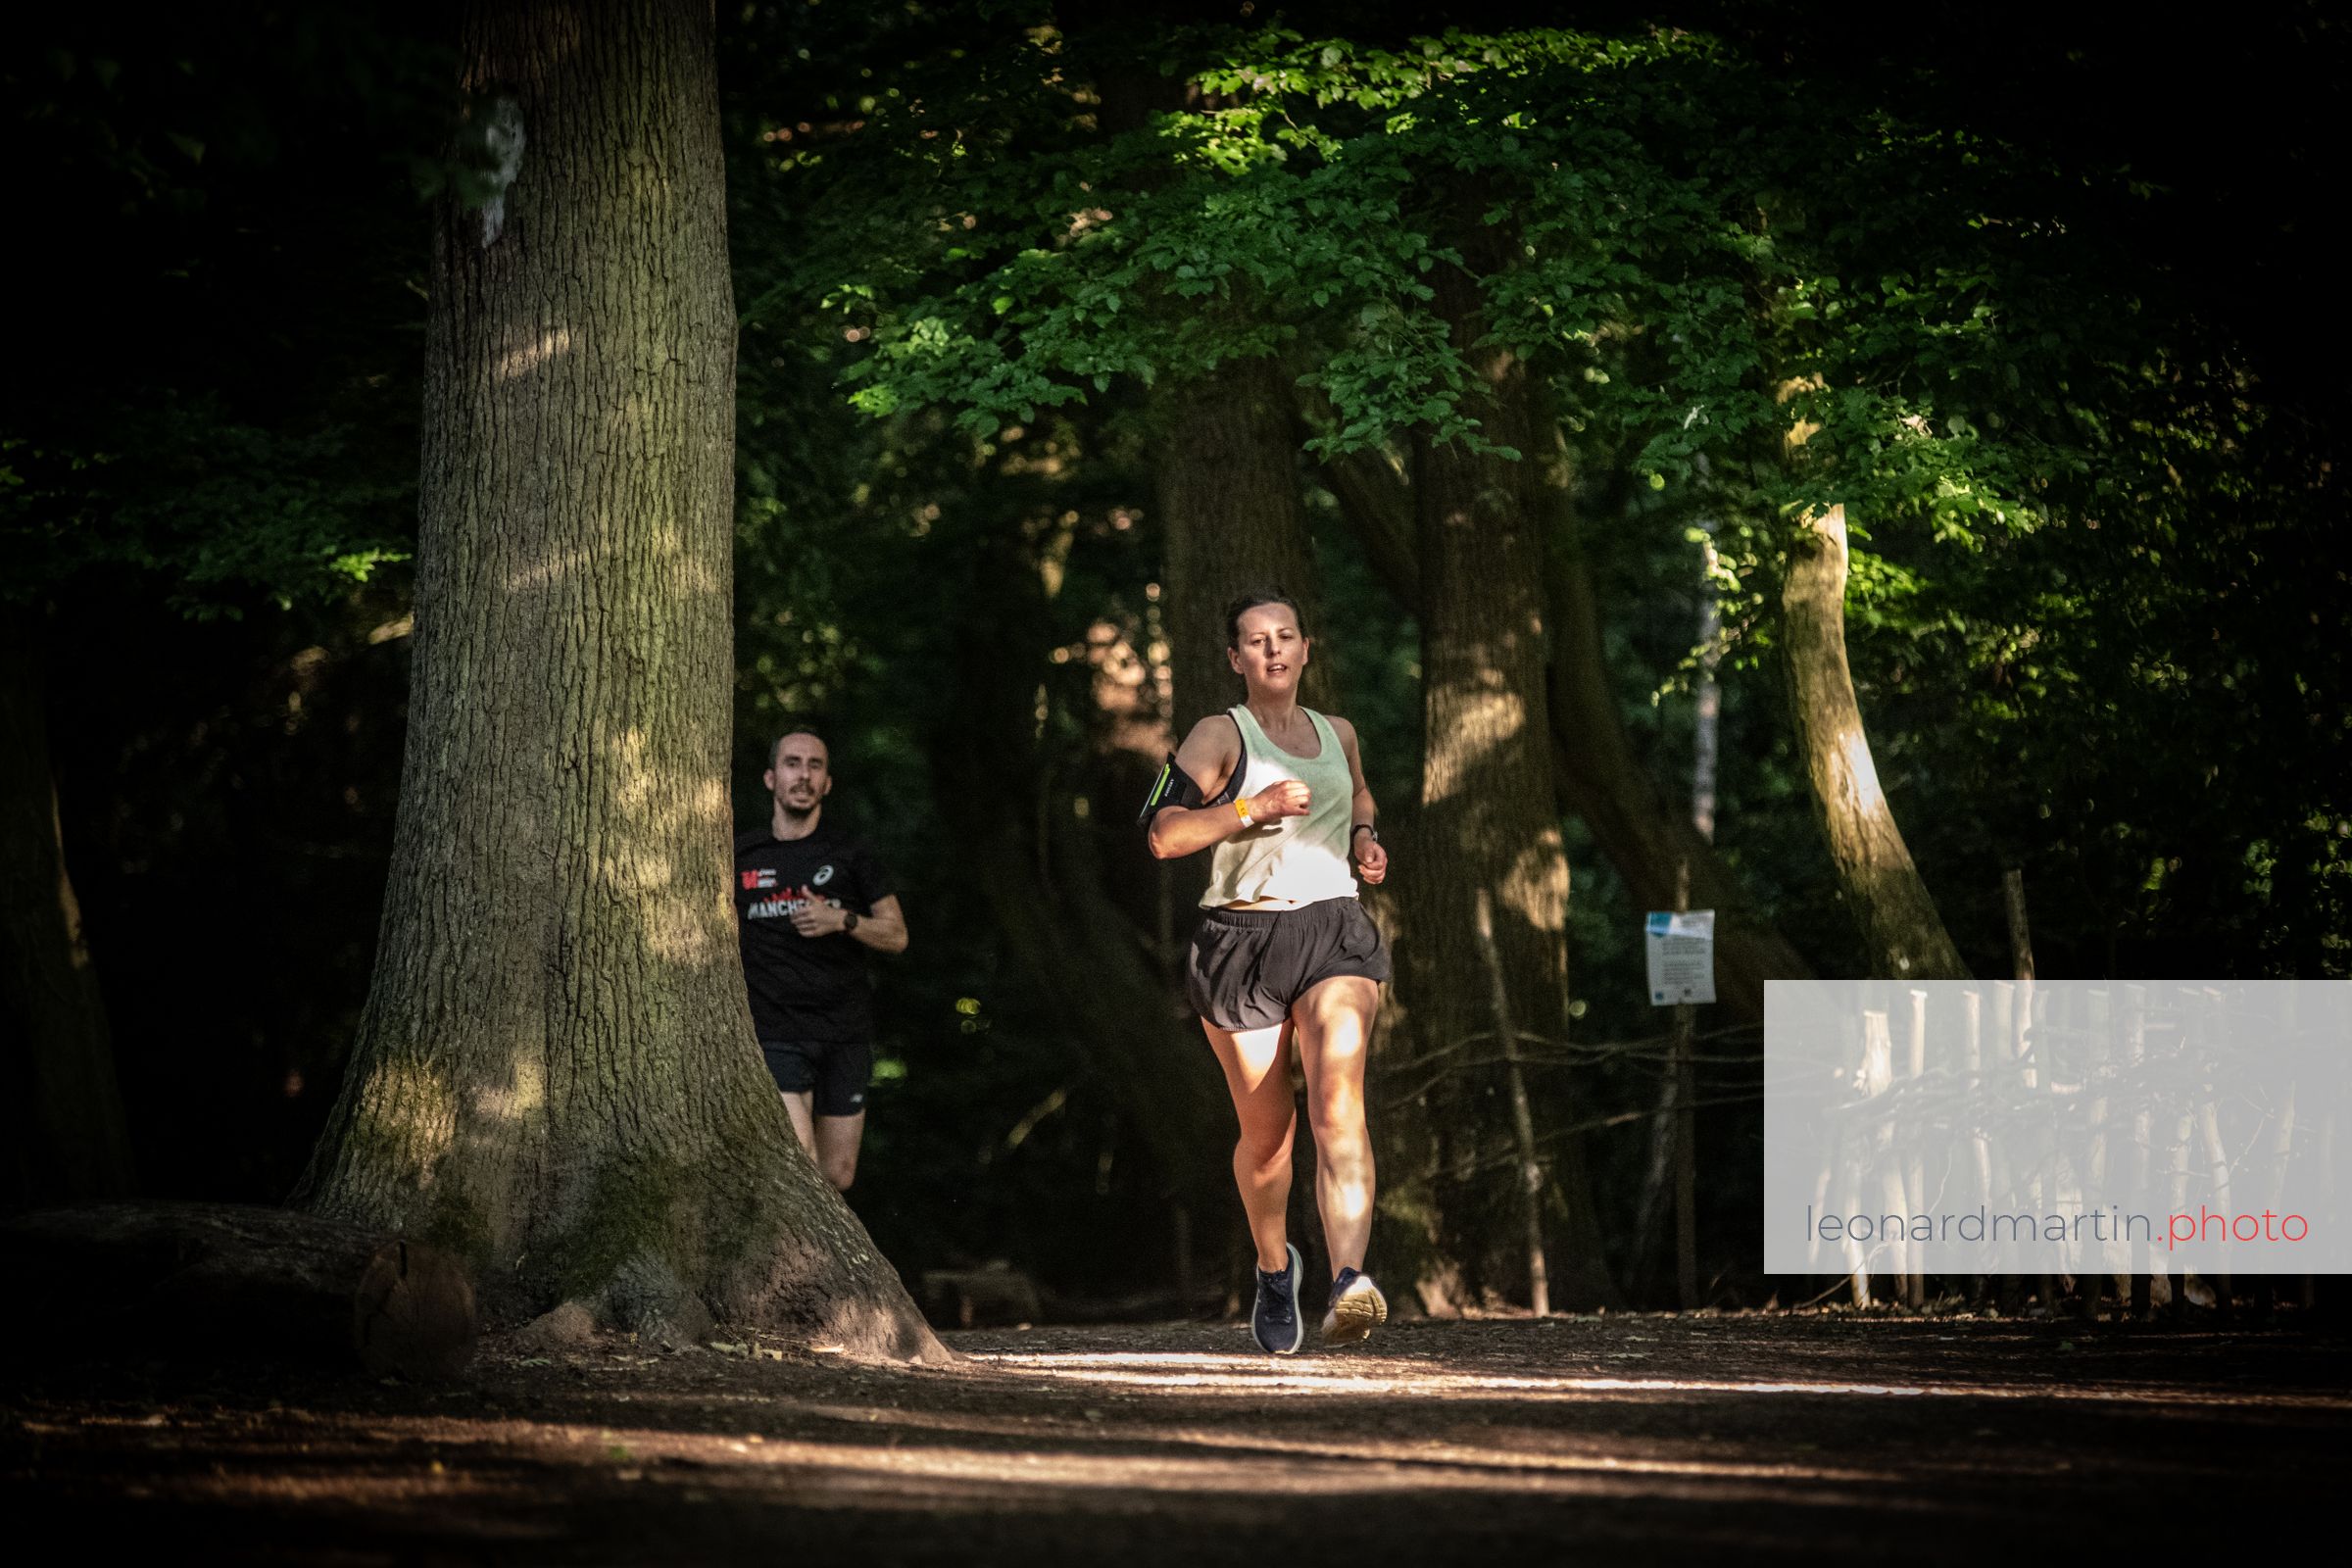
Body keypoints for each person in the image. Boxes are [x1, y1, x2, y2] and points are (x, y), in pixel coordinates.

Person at [1143, 589, 1392, 1353]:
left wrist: (1364, 836)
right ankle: (1275, 1268)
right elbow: (1163, 835)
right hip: (1240, 942)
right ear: (1235, 658)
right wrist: (1253, 808)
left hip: (1332, 931)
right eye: (1256, 640)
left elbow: (1358, 793)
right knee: (1268, 1140)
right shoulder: (1220, 735)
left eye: (1286, 636)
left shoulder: (1337, 733)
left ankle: (1349, 1282)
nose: (1274, 649)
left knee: (1337, 1103)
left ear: (1306, 649)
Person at [734, 727, 907, 1191]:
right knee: (799, 1167)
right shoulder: (741, 855)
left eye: (815, 766)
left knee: (836, 1176)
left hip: (844, 1031)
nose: (804, 775)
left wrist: (841, 920)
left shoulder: (851, 855)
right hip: (775, 1030)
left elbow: (897, 935)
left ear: (827, 783)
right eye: (792, 763)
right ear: (771, 778)